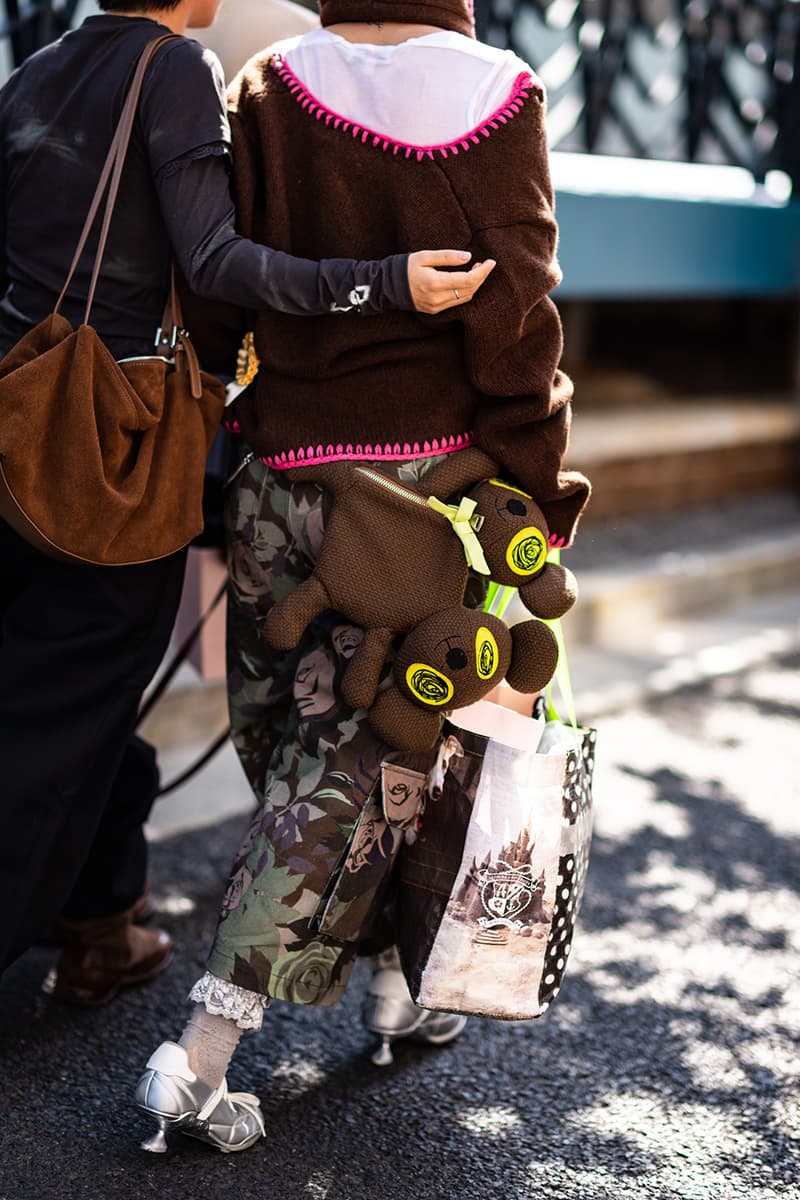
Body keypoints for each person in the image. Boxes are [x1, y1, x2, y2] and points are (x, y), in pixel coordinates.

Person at [135, 0, 591, 1154]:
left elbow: (225, 287)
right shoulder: (502, 91)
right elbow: (516, 318)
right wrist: (537, 481)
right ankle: (198, 1054)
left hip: (279, 481)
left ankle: (399, 984)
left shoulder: (271, 83)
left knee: (298, 747)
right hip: (417, 505)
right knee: (362, 766)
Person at [0, 0, 494, 1003]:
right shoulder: (171, 64)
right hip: (110, 452)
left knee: (65, 690)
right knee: (56, 708)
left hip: (20, 417)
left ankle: (100, 923)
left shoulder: (41, 65)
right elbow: (217, 260)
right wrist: (383, 281)